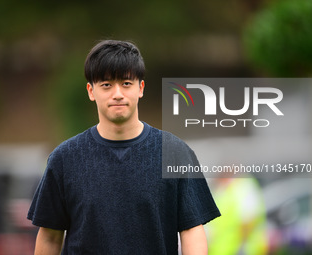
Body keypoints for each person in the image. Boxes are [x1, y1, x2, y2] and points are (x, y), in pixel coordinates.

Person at [27, 40, 220, 254]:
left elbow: (192, 230)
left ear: (141, 88)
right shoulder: (65, 159)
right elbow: (50, 237)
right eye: (106, 85)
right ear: (91, 91)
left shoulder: (175, 153)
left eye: (126, 83)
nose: (117, 93)